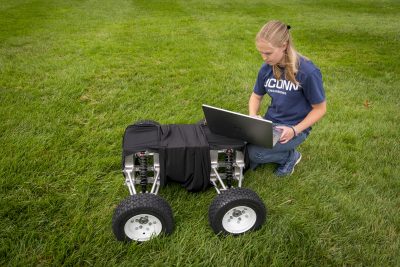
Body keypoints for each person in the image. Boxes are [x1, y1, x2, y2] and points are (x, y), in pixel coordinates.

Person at [248, 20, 326, 176]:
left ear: (284, 45)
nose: (264, 58)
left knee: (254, 154)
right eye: (261, 52)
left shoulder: (307, 72)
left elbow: (320, 109)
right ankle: (269, 151)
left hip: (295, 128)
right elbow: (256, 96)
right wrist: (253, 117)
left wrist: (294, 130)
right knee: (242, 146)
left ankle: (291, 157)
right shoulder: (266, 68)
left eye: (268, 53)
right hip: (271, 123)